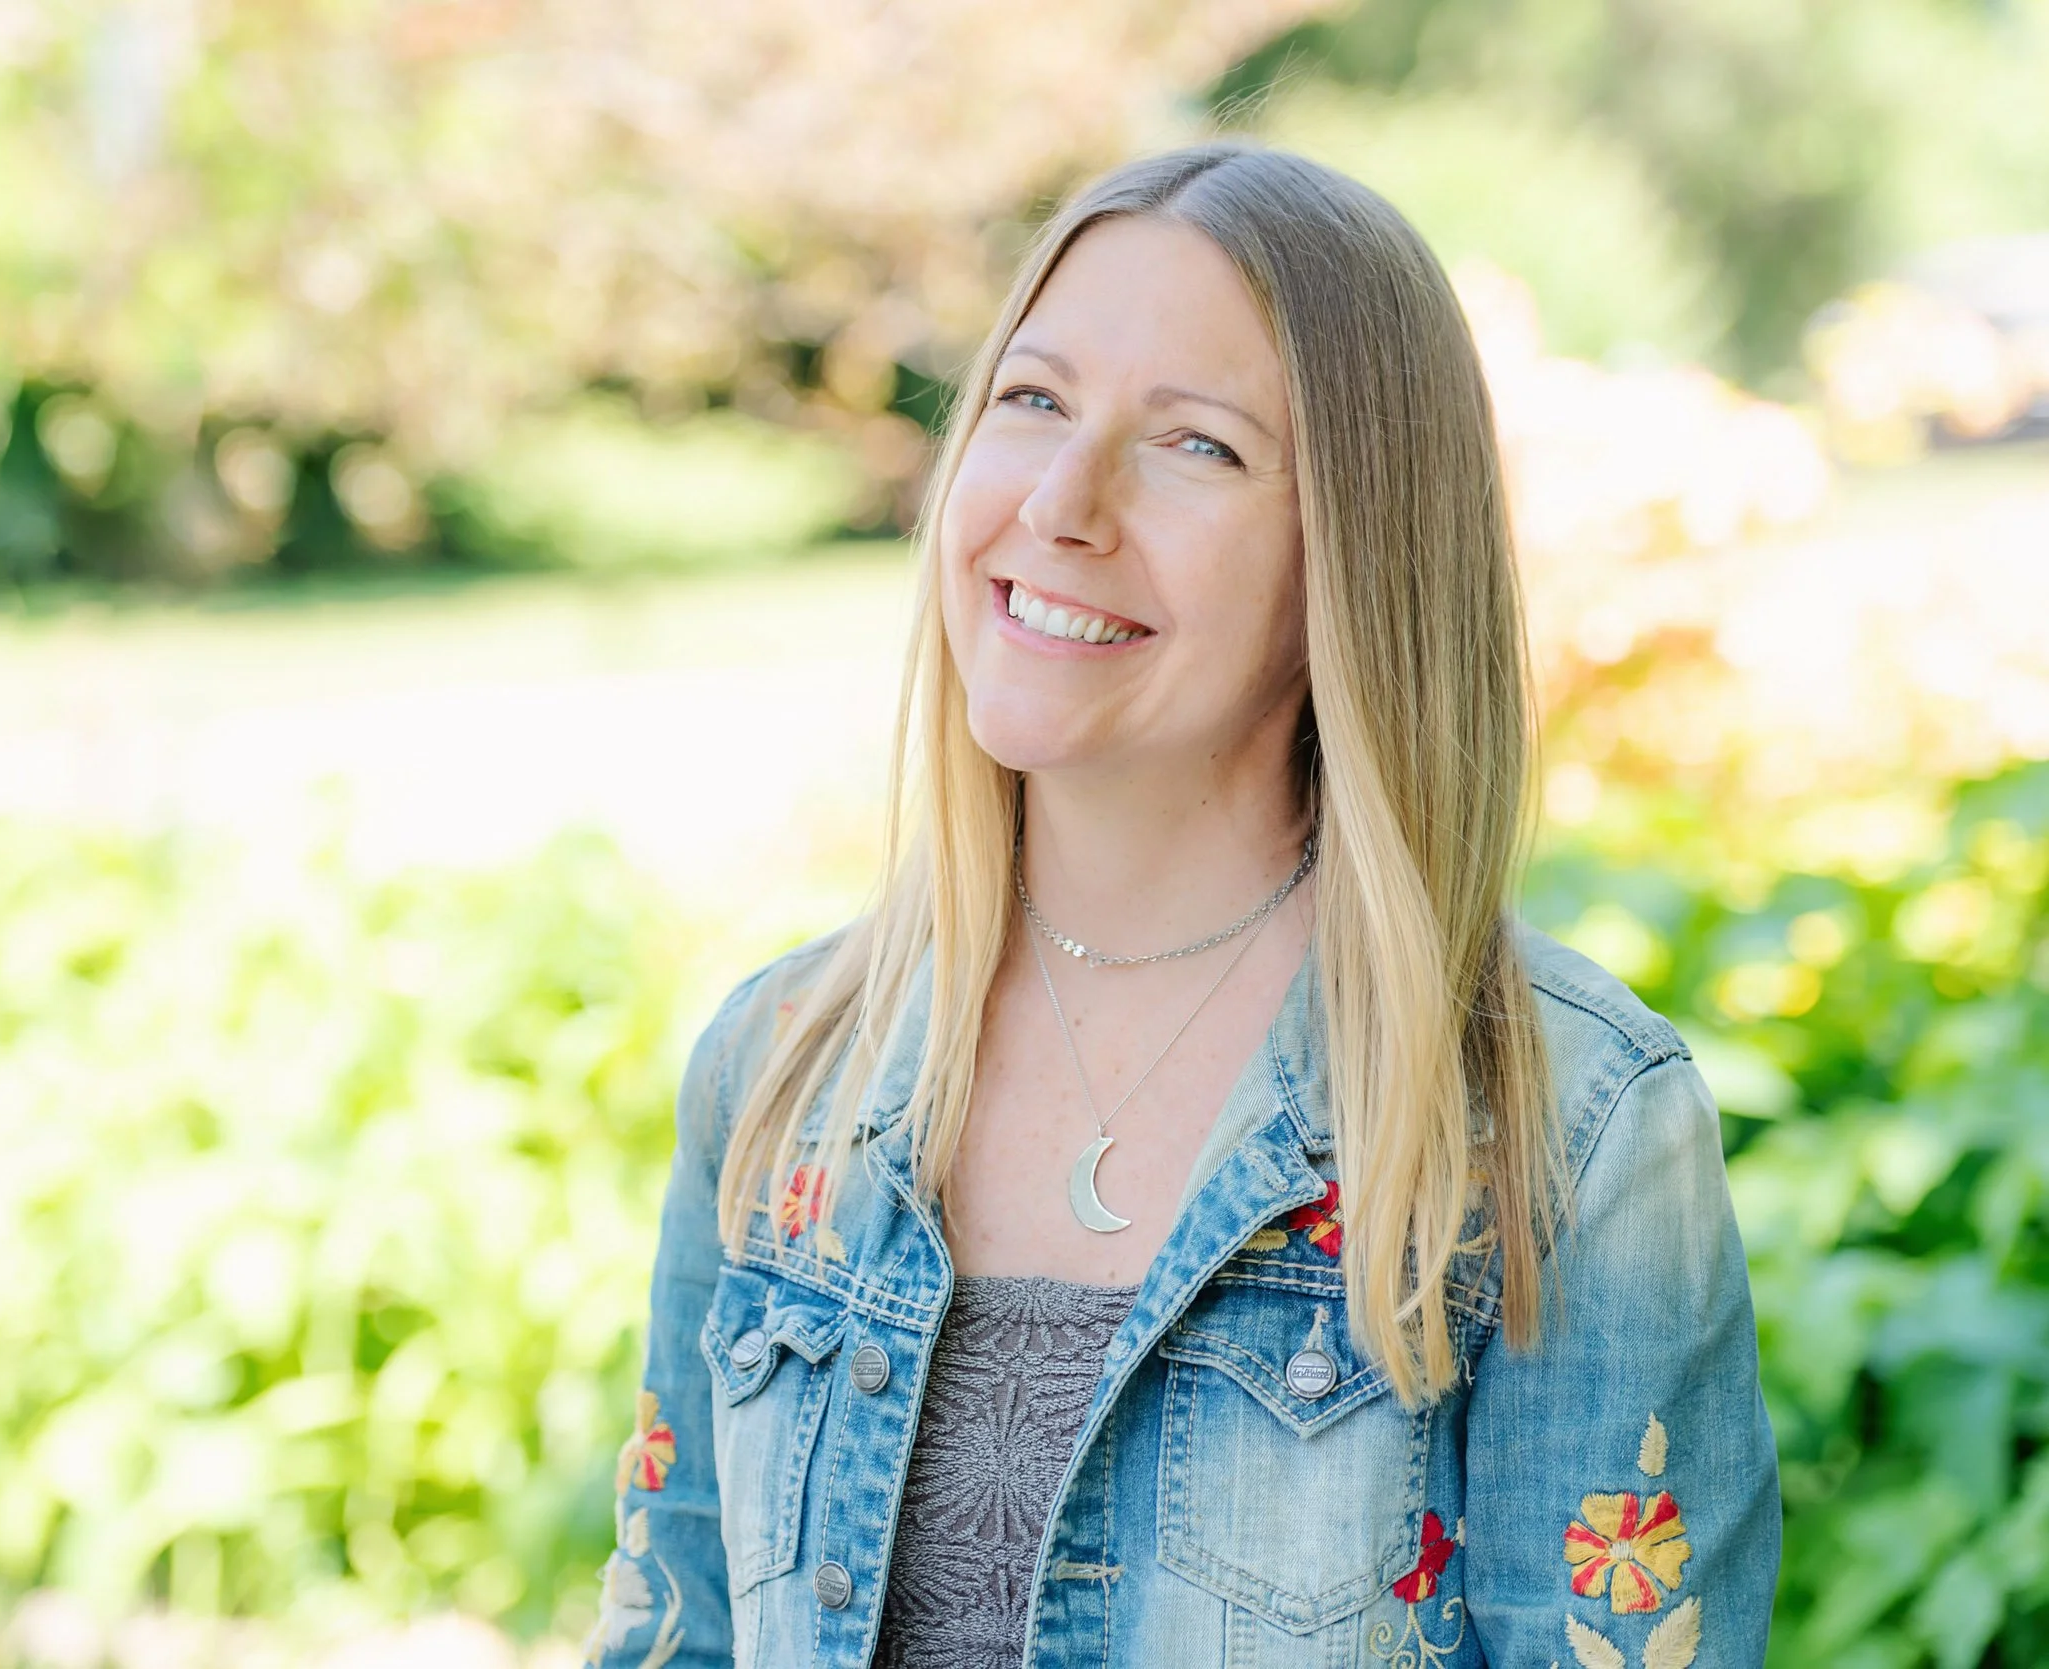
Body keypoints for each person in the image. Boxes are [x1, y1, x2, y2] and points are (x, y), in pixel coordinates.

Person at [583, 139, 1779, 1669]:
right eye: (1033, 401)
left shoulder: (1562, 1130)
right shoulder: (783, 1068)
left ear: (1358, 555)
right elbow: (667, 1639)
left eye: (1196, 446)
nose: (1063, 503)